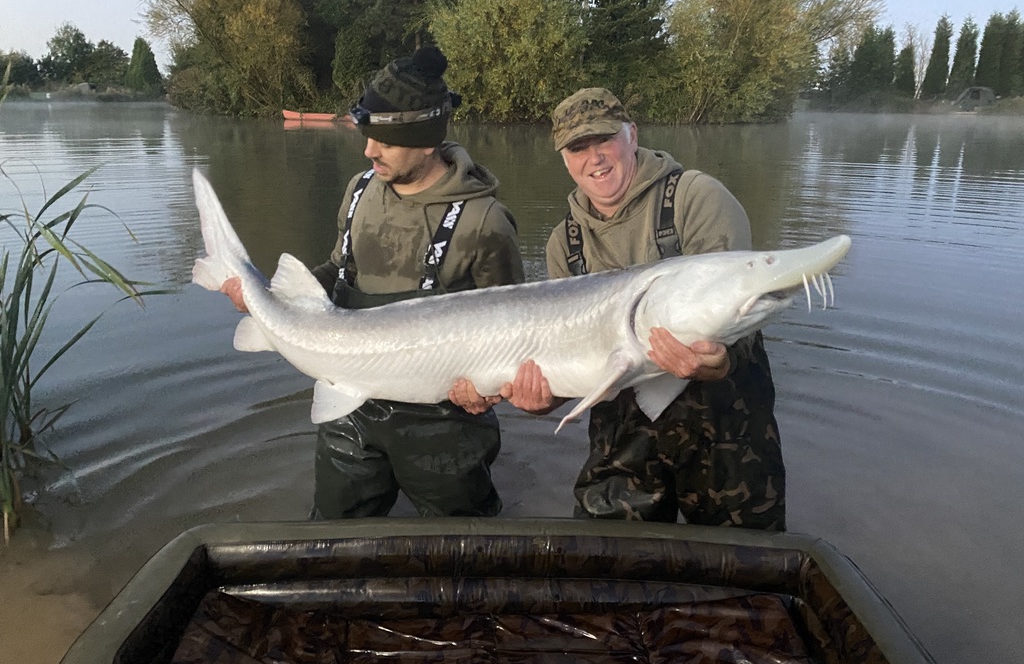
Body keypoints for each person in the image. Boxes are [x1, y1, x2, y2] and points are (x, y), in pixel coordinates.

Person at [450, 88, 784, 530]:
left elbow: (744, 308)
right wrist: (538, 401)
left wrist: (720, 362)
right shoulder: (564, 244)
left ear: (632, 135)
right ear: (564, 158)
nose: (595, 158)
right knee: (606, 566)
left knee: (747, 569)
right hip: (624, 441)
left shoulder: (695, 199)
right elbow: (568, 372)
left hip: (728, 438)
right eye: (577, 147)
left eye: (604, 140)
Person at [223, 46, 525, 519]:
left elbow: (516, 330)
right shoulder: (361, 189)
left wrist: (491, 388)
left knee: (464, 549)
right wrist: (266, 299)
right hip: (351, 407)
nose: (368, 150)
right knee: (333, 538)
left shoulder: (483, 221)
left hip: (442, 423)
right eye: (367, 136)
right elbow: (338, 274)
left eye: (385, 140)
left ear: (427, 140)